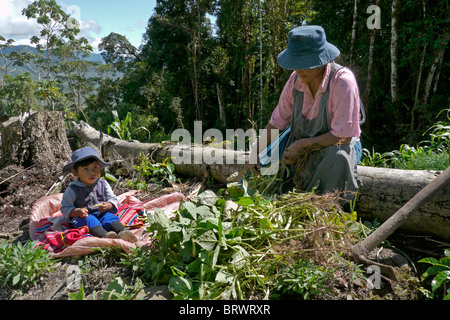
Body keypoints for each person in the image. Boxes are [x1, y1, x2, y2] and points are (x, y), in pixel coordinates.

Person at [250, 25, 363, 199]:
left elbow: (343, 136)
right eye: (296, 64)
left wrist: (302, 146)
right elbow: (276, 122)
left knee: (338, 157)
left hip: (335, 145)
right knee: (265, 166)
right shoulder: (295, 80)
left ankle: (326, 207)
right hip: (298, 143)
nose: (298, 69)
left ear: (321, 60)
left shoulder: (342, 81)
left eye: (305, 64)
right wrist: (255, 152)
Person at [60, 147, 138, 243]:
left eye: (95, 167)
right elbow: (65, 208)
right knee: (90, 220)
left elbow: (112, 198)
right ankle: (104, 236)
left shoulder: (103, 183)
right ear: (75, 172)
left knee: (110, 217)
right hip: (84, 217)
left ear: (100, 169)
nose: (92, 172)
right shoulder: (73, 189)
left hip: (102, 213)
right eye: (86, 169)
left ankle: (123, 232)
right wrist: (77, 211)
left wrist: (109, 205)